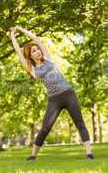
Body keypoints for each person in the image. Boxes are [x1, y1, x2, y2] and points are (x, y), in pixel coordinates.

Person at [10, 26, 94, 161]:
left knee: (79, 123)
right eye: (34, 52)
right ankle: (33, 156)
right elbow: (19, 52)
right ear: (30, 56)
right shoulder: (31, 68)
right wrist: (13, 36)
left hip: (68, 94)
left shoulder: (48, 58)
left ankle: (89, 154)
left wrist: (21, 29)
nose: (37, 52)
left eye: (37, 50)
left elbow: (36, 39)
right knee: (45, 128)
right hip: (54, 100)